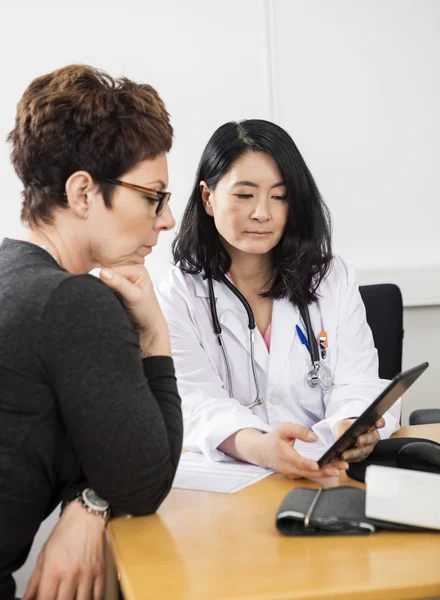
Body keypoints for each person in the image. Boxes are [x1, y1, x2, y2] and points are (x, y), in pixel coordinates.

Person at [0, 65, 183, 600]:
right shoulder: (74, 304)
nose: (167, 219)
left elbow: (96, 436)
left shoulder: (15, 274)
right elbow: (145, 480)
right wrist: (154, 334)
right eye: (153, 195)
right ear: (83, 192)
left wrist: (89, 501)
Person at [155, 119, 400, 480]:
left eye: (280, 196)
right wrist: (260, 447)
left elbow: (358, 382)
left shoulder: (331, 278)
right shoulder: (178, 295)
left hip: (329, 476)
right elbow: (197, 405)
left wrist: (352, 426)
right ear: (208, 198)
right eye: (244, 195)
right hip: (231, 486)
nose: (262, 213)